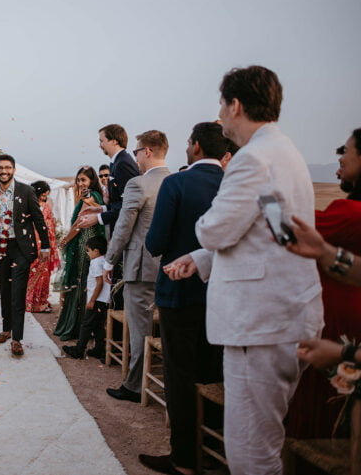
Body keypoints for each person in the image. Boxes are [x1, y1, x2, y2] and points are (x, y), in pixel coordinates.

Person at [163, 66, 323, 475]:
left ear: (235, 105)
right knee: (261, 443)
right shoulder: (283, 151)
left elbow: (215, 228)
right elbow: (274, 232)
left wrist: (202, 234)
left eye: (221, 104)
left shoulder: (253, 159)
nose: (220, 114)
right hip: (285, 314)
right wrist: (199, 260)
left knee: (250, 453)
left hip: (261, 323)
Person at [139, 122, 227, 475]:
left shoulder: (177, 183)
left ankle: (184, 459)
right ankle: (215, 449)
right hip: (221, 294)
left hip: (179, 292)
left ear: (194, 147)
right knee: (215, 372)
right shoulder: (233, 185)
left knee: (180, 375)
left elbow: (156, 243)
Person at [285, 128, 361, 440]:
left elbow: (291, 230)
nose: (340, 157)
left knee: (320, 410)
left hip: (340, 320)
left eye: (346, 149)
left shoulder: (350, 212)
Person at [101, 130, 171, 404]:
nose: (135, 156)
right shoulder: (175, 181)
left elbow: (124, 226)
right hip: (168, 268)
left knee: (141, 330)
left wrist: (110, 260)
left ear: (148, 152)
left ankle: (134, 386)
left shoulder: (139, 184)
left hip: (141, 268)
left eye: (137, 151)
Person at [0, 154, 50, 356]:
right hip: (0, 247)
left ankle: (17, 339)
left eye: (7, 167)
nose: (4, 171)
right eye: (0, 168)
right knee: (5, 291)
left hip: (22, 248)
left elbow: (38, 219)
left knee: (17, 293)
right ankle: (6, 330)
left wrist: (45, 247)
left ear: (14, 170)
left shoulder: (26, 190)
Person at [54, 166, 107, 341]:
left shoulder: (90, 197)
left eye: (83, 180)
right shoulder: (93, 198)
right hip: (88, 247)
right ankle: (84, 328)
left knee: (82, 283)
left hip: (85, 248)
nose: (80, 183)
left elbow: (79, 224)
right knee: (84, 283)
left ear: (91, 181)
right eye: (78, 180)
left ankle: (76, 328)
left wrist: (65, 240)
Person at [76, 124, 140, 231]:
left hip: (126, 230)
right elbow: (118, 202)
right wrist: (101, 209)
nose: (100, 145)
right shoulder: (117, 163)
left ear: (114, 141)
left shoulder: (123, 164)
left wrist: (98, 218)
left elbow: (129, 204)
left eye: (102, 141)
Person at [62, 235, 110, 359]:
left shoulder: (95, 262)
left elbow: (99, 282)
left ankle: (79, 349)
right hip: (104, 299)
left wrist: (92, 300)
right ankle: (99, 348)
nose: (88, 254)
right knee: (98, 325)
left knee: (86, 324)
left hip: (97, 299)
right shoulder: (105, 261)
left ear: (96, 251)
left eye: (88, 251)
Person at [25, 180, 60, 313]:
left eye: (46, 195)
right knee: (30, 272)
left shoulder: (46, 207)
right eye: (43, 195)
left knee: (44, 274)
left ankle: (40, 301)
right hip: (31, 244)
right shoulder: (28, 205)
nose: (45, 197)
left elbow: (51, 225)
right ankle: (28, 302)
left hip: (44, 245)